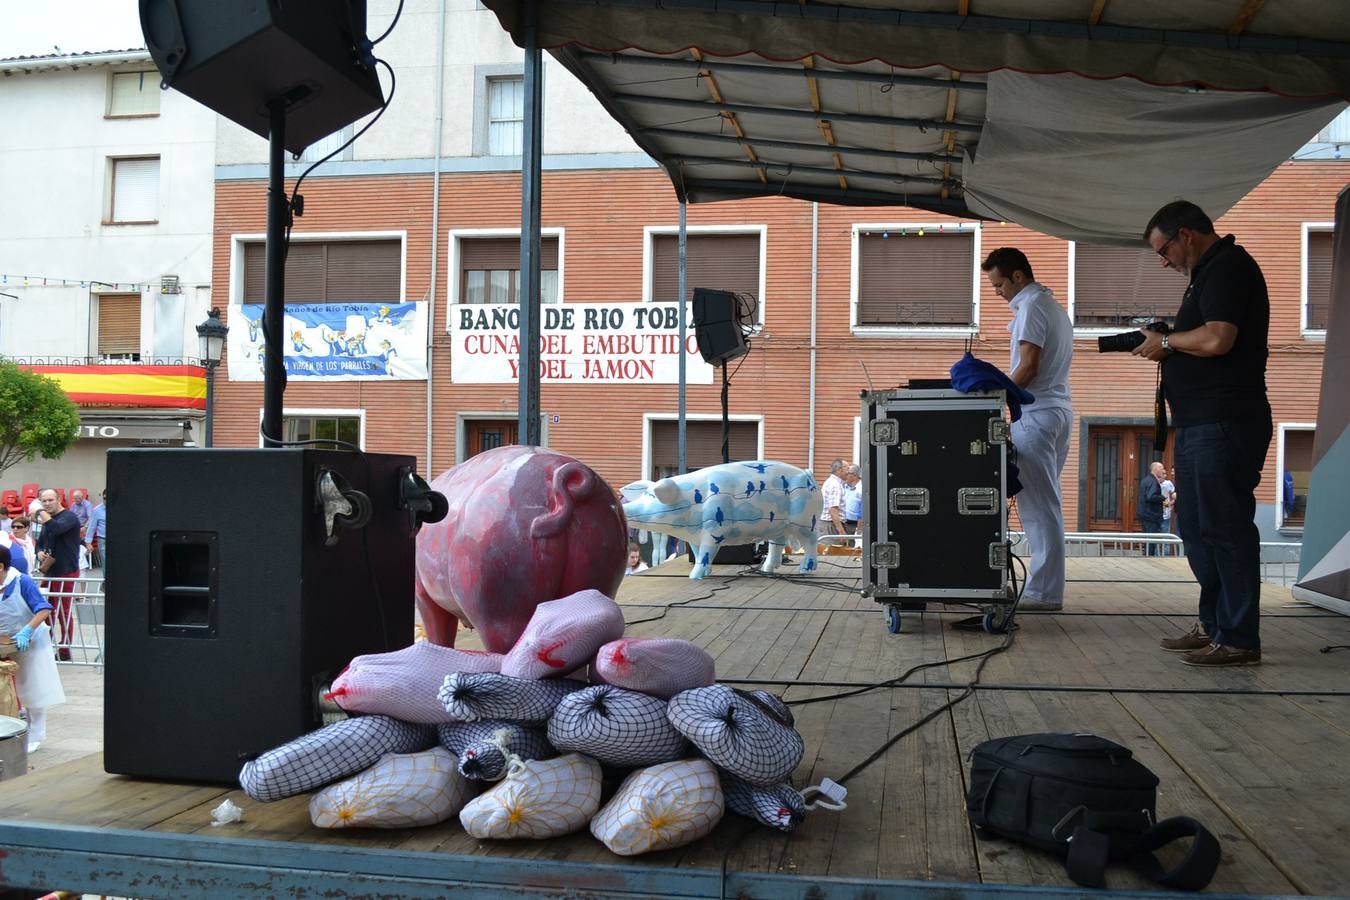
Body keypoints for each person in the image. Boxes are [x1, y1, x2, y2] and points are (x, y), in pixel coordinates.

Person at [1137, 199, 1271, 667]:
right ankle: (1216, 625)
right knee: (1194, 527)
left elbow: (1218, 339)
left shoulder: (1229, 267)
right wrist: (1170, 335)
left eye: (1164, 250)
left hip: (1226, 420)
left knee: (1225, 527)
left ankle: (1238, 637)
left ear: (1185, 236)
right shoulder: (1206, 274)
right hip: (1199, 423)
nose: (1164, 260)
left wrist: (1169, 342)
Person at [982, 247, 1074, 611]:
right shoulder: (1054, 308)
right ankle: (1046, 588)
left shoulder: (1032, 308)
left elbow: (1029, 365)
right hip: (1057, 411)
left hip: (1035, 415)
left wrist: (996, 399)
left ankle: (1043, 593)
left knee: (1038, 505)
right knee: (1045, 501)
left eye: (999, 283)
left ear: (1018, 277)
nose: (997, 291)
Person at [0, 544, 65, 753]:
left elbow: (44, 609)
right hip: (5, 643)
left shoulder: (21, 581)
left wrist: (27, 631)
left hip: (30, 641)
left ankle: (36, 734)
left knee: (33, 689)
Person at [33, 489, 81, 662]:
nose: (47, 504)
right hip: (50, 572)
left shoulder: (69, 517)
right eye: (43, 501)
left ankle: (64, 650)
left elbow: (57, 529)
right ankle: (47, 645)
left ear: (59, 499)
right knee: (46, 610)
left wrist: (39, 512)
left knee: (64, 612)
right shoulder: (48, 521)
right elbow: (39, 543)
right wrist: (39, 553)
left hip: (67, 571)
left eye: (50, 500)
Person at [1137, 461, 1166, 556]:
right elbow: (1151, 496)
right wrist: (1162, 497)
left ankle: (1146, 556)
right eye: (1161, 469)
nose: (1163, 471)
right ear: (1156, 469)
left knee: (1147, 538)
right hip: (1151, 515)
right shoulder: (1153, 481)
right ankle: (1150, 557)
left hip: (1145, 514)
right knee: (1151, 539)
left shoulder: (1145, 480)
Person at [820, 458, 847, 535]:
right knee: (832, 547)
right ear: (839, 470)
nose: (849, 471)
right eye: (847, 468)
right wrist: (841, 531)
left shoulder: (833, 482)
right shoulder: (835, 485)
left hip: (831, 524)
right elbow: (833, 510)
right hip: (831, 526)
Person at [84, 490, 107, 571]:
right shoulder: (97, 510)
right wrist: (88, 542)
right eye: (104, 498)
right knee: (105, 562)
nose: (106, 500)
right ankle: (106, 581)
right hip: (103, 540)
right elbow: (92, 527)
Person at [841, 464, 863, 534]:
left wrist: (859, 530)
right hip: (844, 524)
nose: (845, 475)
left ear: (854, 475)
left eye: (847, 473)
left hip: (855, 526)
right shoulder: (844, 487)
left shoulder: (862, 489)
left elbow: (863, 512)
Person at [1161, 467, 1177, 552]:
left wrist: (1170, 503)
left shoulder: (1168, 483)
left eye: (1165, 474)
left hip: (1166, 514)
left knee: (1165, 535)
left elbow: (1175, 495)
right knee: (1155, 536)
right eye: (1163, 473)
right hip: (1155, 514)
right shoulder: (1154, 483)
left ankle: (1165, 554)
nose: (1165, 475)